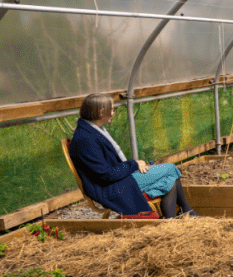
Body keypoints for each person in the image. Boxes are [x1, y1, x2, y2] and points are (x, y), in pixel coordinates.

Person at [68, 93, 196, 218]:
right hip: (112, 186)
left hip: (119, 178)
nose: (113, 112)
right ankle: (185, 212)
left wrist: (133, 165)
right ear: (101, 112)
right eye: (112, 109)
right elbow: (106, 175)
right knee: (170, 169)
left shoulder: (90, 130)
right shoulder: (86, 140)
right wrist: (134, 164)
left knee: (170, 179)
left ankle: (172, 220)